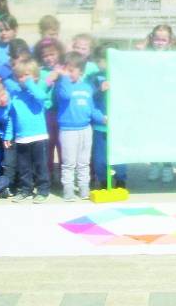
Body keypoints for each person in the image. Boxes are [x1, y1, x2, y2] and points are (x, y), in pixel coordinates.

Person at [55, 52, 104, 200]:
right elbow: (66, 96)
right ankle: (68, 189)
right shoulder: (62, 86)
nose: (68, 73)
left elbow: (91, 108)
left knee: (84, 161)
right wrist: (64, 77)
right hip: (68, 130)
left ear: (81, 71)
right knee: (69, 162)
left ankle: (84, 187)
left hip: (86, 129)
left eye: (72, 70)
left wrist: (101, 118)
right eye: (66, 69)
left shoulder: (87, 87)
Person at [7, 60, 49, 204]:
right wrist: (8, 135)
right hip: (21, 137)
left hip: (38, 136)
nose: (23, 78)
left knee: (40, 165)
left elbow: (42, 97)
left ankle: (43, 190)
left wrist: (31, 83)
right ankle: (26, 189)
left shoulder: (37, 91)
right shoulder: (15, 95)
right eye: (20, 76)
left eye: (27, 75)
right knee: (24, 167)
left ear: (35, 77)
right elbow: (11, 117)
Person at [144, 25, 176, 183]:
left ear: (170, 41)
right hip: (151, 102)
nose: (159, 42)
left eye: (163, 40)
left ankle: (167, 166)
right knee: (152, 133)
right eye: (157, 39)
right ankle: (154, 164)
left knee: (168, 135)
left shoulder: (175, 57)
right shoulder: (146, 56)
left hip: (169, 103)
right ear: (152, 39)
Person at [89, 43, 126, 189]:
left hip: (118, 125)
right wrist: (99, 90)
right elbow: (90, 99)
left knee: (119, 155)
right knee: (100, 159)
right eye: (97, 61)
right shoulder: (95, 77)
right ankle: (104, 180)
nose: (98, 64)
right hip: (101, 126)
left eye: (100, 61)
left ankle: (121, 180)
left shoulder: (122, 76)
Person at [34, 37, 65, 187]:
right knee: (48, 147)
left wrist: (61, 75)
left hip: (64, 113)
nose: (49, 58)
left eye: (52, 54)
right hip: (47, 113)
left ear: (59, 53)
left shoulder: (64, 69)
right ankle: (49, 176)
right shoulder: (41, 72)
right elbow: (38, 91)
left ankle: (64, 177)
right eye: (45, 56)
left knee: (63, 146)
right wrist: (49, 79)